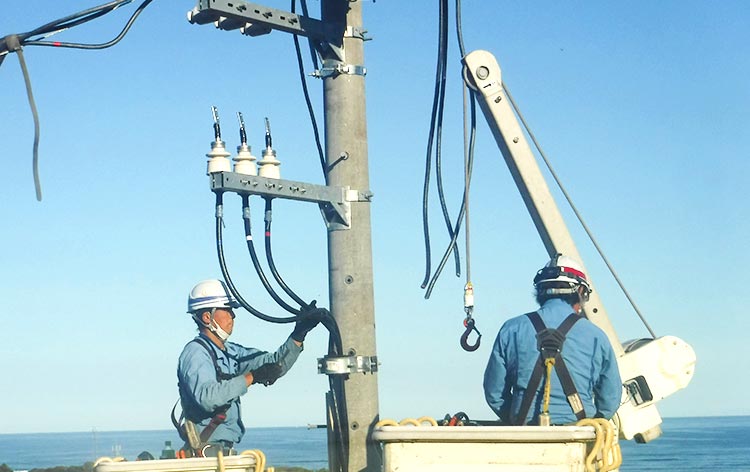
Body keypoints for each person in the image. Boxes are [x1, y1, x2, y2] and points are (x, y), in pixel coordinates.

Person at [176, 279, 320, 457]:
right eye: (227, 310)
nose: (232, 316)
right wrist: (252, 377)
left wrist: (299, 334)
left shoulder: (231, 352)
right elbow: (208, 397)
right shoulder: (195, 353)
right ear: (207, 317)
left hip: (221, 454)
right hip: (204, 456)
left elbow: (274, 365)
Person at [483, 254, 622, 426]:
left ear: (540, 291)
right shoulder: (596, 336)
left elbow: (494, 393)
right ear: (581, 292)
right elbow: (610, 399)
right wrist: (592, 424)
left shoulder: (511, 329)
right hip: (579, 434)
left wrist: (518, 418)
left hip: (524, 435)